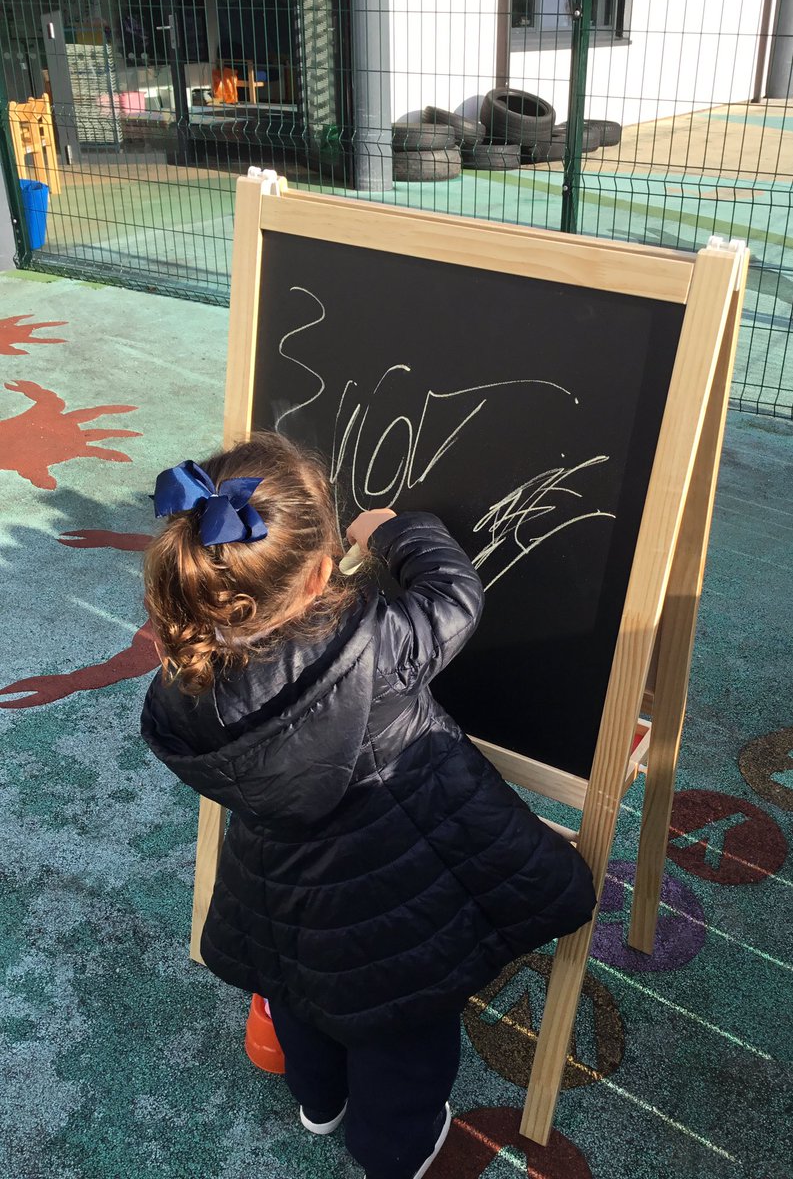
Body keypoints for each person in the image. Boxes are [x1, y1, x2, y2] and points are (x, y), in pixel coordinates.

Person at [141, 432, 598, 1179]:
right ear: (323, 572)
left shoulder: (184, 685)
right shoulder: (375, 645)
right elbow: (455, 595)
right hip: (398, 888)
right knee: (404, 1033)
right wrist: (395, 530)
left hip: (280, 891)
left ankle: (318, 1102)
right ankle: (399, 1152)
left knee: (298, 993)